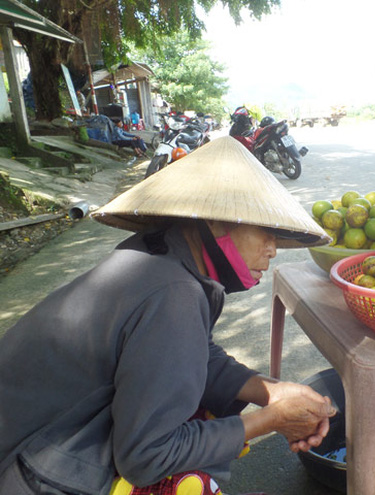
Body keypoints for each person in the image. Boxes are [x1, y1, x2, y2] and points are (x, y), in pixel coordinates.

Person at [0, 136, 335, 495]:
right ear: (218, 222)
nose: (273, 250)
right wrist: (270, 420)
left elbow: (191, 355)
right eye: (266, 232)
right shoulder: (175, 294)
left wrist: (272, 391)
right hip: (29, 466)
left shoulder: (156, 256)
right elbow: (146, 456)